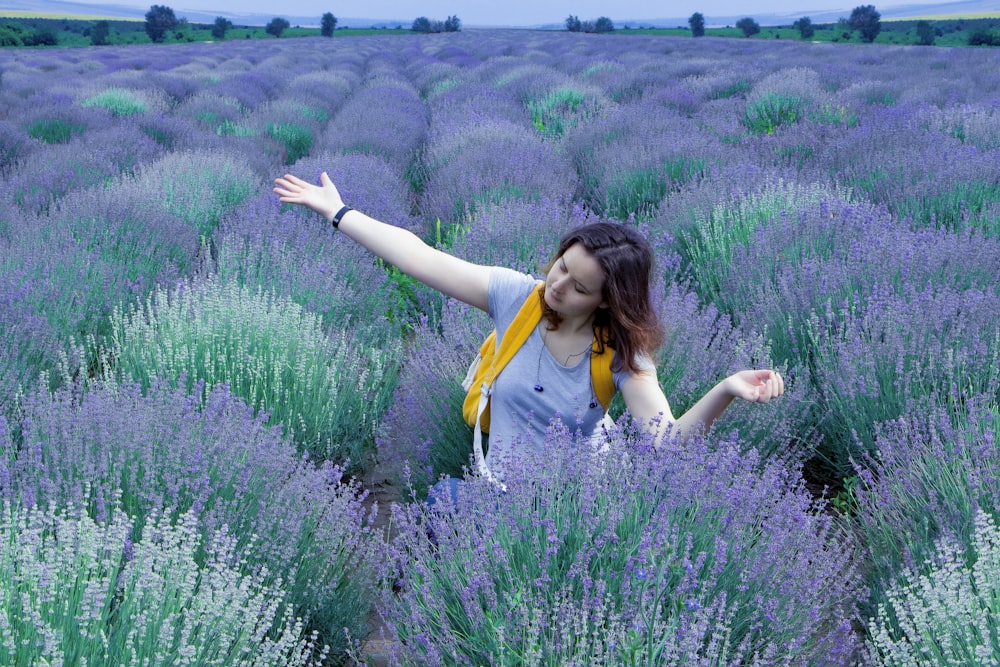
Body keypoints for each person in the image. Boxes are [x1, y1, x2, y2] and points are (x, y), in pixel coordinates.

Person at [273, 171, 785, 489]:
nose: (557, 286)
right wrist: (339, 213)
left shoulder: (622, 352)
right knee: (440, 517)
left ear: (609, 300)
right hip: (499, 489)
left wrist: (725, 391)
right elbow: (419, 257)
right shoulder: (520, 297)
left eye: (580, 287)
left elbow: (665, 444)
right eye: (561, 265)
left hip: (577, 507)